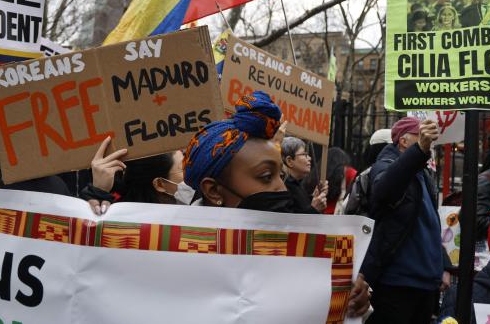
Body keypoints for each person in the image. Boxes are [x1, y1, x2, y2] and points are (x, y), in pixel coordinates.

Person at [182, 90, 370, 318]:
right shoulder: (172, 254)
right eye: (265, 176)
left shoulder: (307, 247)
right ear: (213, 190)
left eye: (280, 175)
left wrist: (352, 298)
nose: (281, 188)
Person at [362, 117, 452, 324]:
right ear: (403, 141)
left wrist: (443, 266)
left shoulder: (424, 174)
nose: (429, 142)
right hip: (397, 284)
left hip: (426, 284)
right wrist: (420, 149)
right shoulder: (385, 165)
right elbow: (383, 192)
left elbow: (430, 224)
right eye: (419, 136)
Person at [83, 137, 193, 215]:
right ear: (159, 184)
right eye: (183, 168)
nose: (191, 170)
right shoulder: (122, 220)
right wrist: (97, 192)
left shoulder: (200, 202)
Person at [281, 136, 327, 213]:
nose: (309, 158)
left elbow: (301, 208)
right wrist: (314, 209)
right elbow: (290, 222)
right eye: (304, 154)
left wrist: (313, 198)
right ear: (289, 161)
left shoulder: (296, 184)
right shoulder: (283, 187)